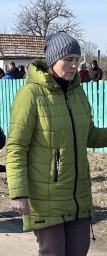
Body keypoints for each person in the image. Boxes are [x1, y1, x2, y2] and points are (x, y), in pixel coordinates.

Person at [7, 32, 107, 256]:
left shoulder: (78, 93)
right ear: (53, 60)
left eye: (77, 59)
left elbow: (89, 135)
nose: (74, 65)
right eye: (68, 59)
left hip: (78, 193)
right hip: (45, 195)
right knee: (53, 252)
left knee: (79, 250)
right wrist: (18, 192)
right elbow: (16, 147)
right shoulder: (30, 94)